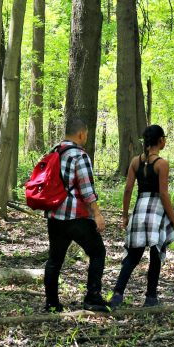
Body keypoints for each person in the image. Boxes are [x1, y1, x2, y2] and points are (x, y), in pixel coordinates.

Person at [110, 124, 174, 307]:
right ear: (161, 140)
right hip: (156, 212)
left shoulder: (135, 161)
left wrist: (125, 216)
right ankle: (151, 298)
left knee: (132, 256)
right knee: (155, 255)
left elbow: (128, 190)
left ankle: (117, 295)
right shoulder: (161, 164)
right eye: (164, 139)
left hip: (139, 211)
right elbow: (163, 194)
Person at [43, 117, 109, 313]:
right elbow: (87, 189)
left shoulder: (54, 152)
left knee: (54, 261)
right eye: (86, 134)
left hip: (54, 216)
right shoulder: (80, 156)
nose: (86, 137)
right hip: (75, 217)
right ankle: (92, 297)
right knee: (98, 252)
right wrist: (97, 214)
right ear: (81, 134)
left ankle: (52, 303)